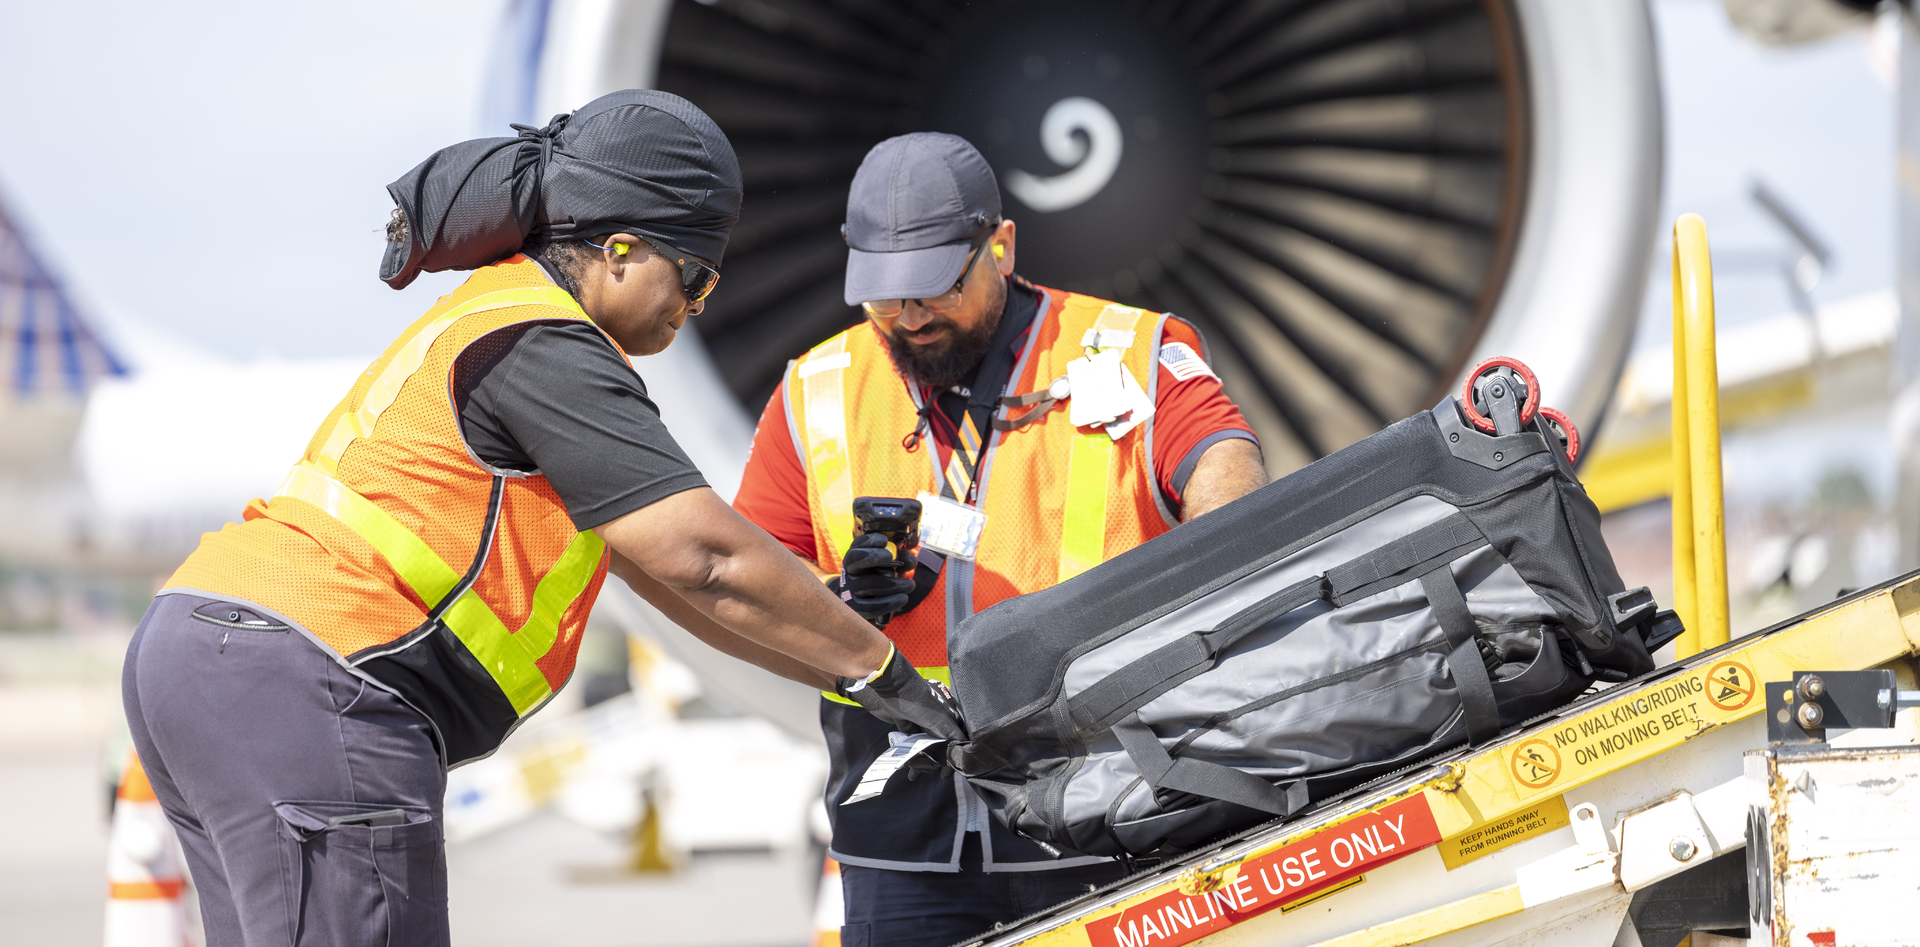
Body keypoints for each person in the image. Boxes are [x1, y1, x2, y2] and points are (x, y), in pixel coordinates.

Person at [121, 91, 949, 947]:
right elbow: (705, 555)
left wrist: (836, 641)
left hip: (214, 658)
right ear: (621, 250)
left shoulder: (497, 317)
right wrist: (886, 672)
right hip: (313, 679)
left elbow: (687, 588)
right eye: (695, 278)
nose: (694, 307)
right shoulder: (544, 343)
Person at [733, 133, 1270, 947]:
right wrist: (839, 604)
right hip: (902, 834)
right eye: (884, 296)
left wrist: (1207, 616)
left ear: (1002, 246)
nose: (910, 317)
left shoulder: (1127, 348)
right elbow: (752, 580)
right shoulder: (815, 389)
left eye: (936, 288)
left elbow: (1226, 467)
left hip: (1102, 805)